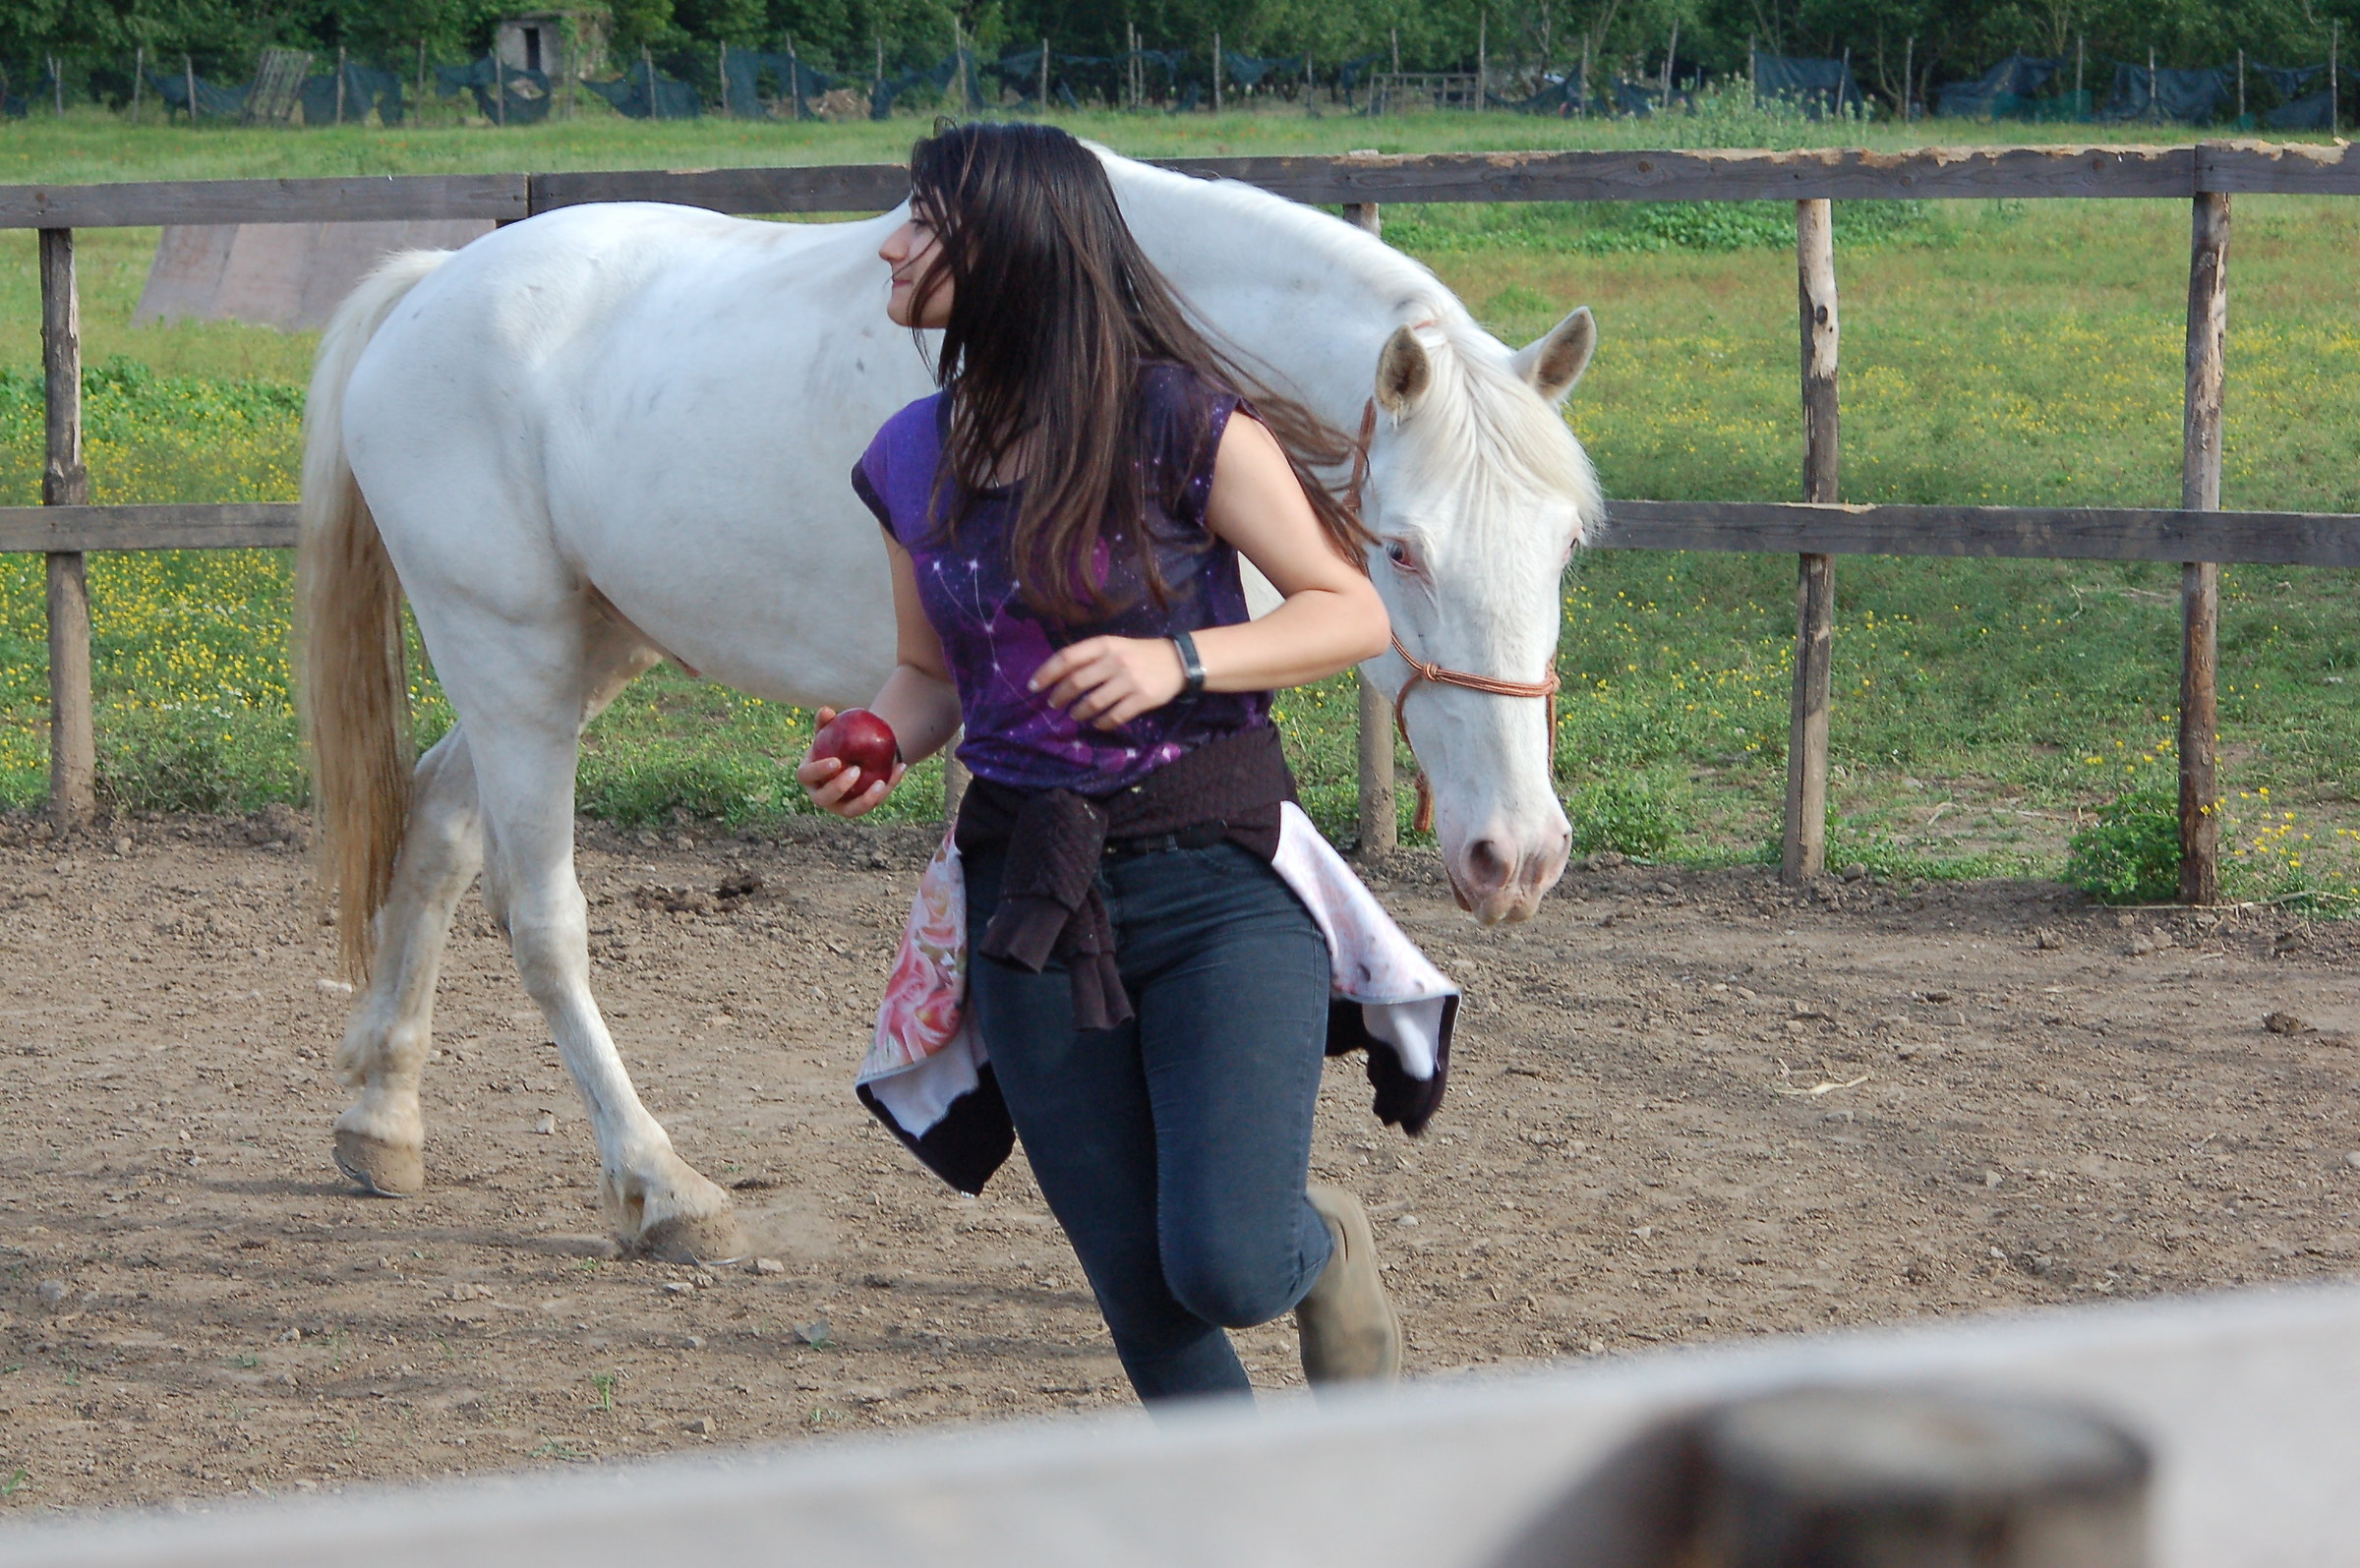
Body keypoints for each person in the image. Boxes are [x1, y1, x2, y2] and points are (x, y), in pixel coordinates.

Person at [799, 121, 1410, 1405]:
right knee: (1143, 1293)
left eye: (924, 222)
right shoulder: (911, 453)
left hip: (1218, 881)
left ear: (1014, 247)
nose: (892, 247)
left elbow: (1350, 610)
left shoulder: (1178, 421)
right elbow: (928, 673)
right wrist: (882, 739)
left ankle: (1322, 1248)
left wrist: (1178, 661)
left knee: (1229, 1264)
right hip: (1028, 896)